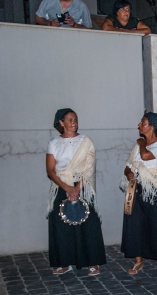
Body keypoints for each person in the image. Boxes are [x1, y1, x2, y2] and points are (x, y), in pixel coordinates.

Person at [46, 108, 106, 276]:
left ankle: (92, 262)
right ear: (61, 122)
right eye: (70, 120)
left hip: (82, 184)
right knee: (61, 225)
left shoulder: (85, 141)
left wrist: (77, 188)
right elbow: (51, 170)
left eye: (75, 119)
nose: (74, 123)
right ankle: (64, 262)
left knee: (88, 224)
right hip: (61, 185)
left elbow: (89, 167)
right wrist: (67, 188)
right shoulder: (54, 143)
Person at [121, 112, 157, 275]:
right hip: (138, 189)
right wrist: (128, 173)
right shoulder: (138, 145)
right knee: (136, 223)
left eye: (143, 122)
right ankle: (138, 261)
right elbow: (128, 164)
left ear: (152, 126)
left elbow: (145, 156)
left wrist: (141, 142)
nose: (139, 125)